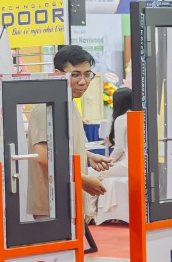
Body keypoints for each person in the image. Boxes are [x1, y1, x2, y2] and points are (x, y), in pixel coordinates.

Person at [26, 46, 110, 221]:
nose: (83, 81)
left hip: (70, 198)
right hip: (52, 203)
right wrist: (82, 179)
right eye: (75, 75)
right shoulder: (45, 108)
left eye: (87, 74)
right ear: (58, 74)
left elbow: (60, 146)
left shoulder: (70, 103)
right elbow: (43, 156)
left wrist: (88, 156)